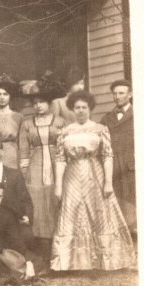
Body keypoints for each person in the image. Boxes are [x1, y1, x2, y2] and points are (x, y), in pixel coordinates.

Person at [51, 91, 135, 271]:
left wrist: (108, 183)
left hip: (94, 173)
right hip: (72, 175)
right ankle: (68, 263)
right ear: (73, 109)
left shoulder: (100, 129)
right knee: (71, 211)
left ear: (90, 109)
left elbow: (107, 156)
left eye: (84, 107)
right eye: (77, 108)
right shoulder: (65, 131)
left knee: (99, 213)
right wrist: (58, 185)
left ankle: (105, 261)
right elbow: (59, 159)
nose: (80, 111)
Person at [18, 78, 67, 257]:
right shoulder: (27, 123)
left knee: (56, 200)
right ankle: (42, 250)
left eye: (42, 102)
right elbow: (23, 151)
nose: (38, 106)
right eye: (35, 103)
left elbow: (66, 147)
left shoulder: (60, 121)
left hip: (57, 164)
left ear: (49, 103)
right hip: (36, 165)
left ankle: (59, 251)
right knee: (37, 203)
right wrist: (24, 172)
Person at [101, 79, 136, 235]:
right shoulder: (107, 118)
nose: (117, 97)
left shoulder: (138, 114)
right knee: (116, 202)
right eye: (114, 94)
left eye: (121, 93)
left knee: (132, 200)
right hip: (113, 166)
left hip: (131, 166)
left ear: (130, 94)